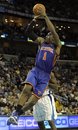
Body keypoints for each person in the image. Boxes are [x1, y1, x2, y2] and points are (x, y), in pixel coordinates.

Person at [7, 5, 62, 125]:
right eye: (47, 34)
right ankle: (15, 114)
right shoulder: (41, 42)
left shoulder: (57, 46)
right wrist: (34, 19)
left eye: (50, 35)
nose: (48, 35)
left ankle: (17, 115)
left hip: (45, 75)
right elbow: (27, 32)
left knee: (32, 102)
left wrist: (45, 16)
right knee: (27, 89)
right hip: (36, 70)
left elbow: (53, 30)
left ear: (54, 38)